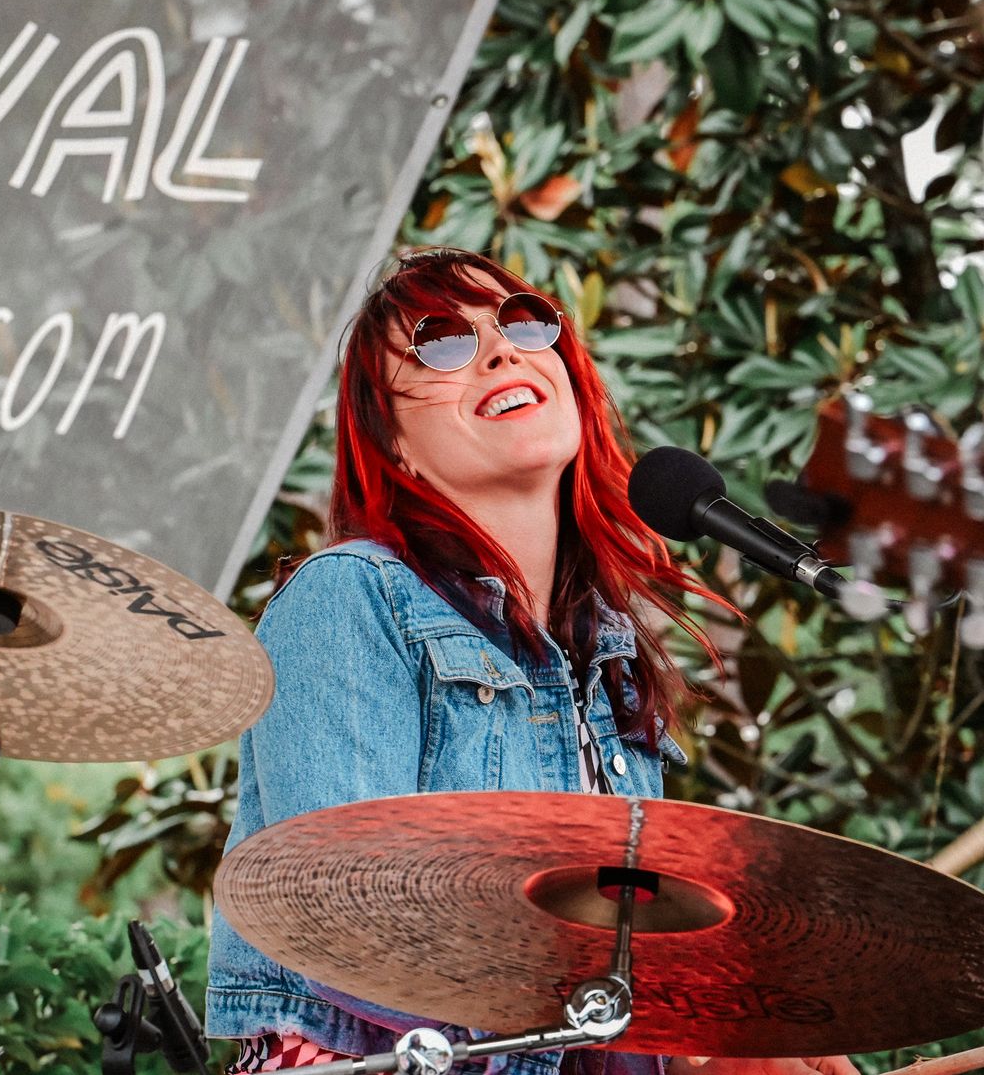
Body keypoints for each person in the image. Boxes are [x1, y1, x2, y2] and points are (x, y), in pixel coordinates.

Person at [204, 247, 855, 1075]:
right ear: (393, 445)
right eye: (442, 340)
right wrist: (692, 1022)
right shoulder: (351, 596)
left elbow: (620, 973)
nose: (501, 349)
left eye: (523, 322)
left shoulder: (604, 648)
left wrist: (735, 1037)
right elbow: (342, 916)